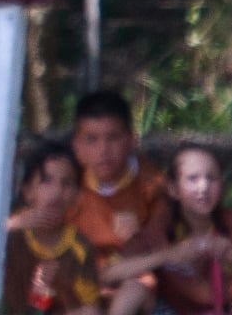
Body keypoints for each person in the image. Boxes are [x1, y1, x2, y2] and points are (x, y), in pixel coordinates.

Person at [101, 145, 232, 315]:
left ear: (221, 184)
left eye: (211, 178)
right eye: (192, 179)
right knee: (136, 285)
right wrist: (166, 256)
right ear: (173, 189)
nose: (203, 187)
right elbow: (108, 273)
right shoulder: (159, 226)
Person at [0, 141, 105, 315]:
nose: (56, 192)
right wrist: (8, 226)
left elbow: (90, 310)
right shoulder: (8, 232)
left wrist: (55, 289)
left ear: (77, 196)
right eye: (46, 181)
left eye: (66, 184)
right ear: (27, 192)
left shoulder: (79, 247)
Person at [67, 91, 164, 274]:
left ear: (131, 140)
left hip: (134, 280)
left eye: (113, 138)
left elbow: (162, 251)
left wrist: (138, 237)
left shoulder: (153, 186)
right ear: (77, 146)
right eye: (91, 139)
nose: (103, 150)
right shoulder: (68, 185)